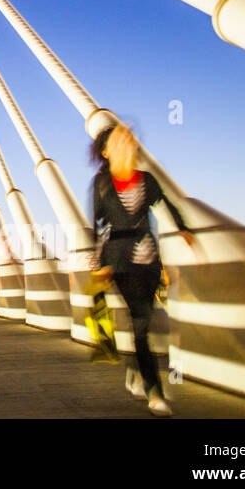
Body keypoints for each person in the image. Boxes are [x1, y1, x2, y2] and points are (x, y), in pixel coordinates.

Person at [89, 123, 195, 416]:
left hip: (148, 259)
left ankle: (134, 371)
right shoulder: (101, 185)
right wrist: (98, 265)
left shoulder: (147, 180)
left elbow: (166, 205)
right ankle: (154, 392)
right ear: (107, 151)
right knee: (140, 323)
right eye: (119, 137)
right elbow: (97, 225)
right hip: (118, 262)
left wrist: (184, 229)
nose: (127, 138)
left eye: (129, 135)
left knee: (142, 324)